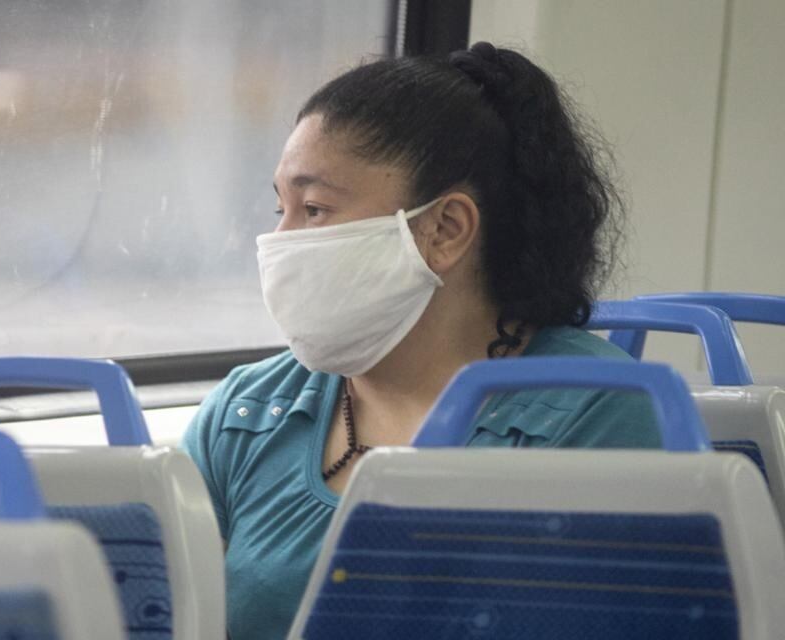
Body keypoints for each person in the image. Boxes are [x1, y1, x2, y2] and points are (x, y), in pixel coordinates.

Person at [181, 42, 659, 640]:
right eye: (281, 208)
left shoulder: (597, 414)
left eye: (315, 208)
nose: (280, 241)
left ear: (444, 229)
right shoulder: (247, 413)